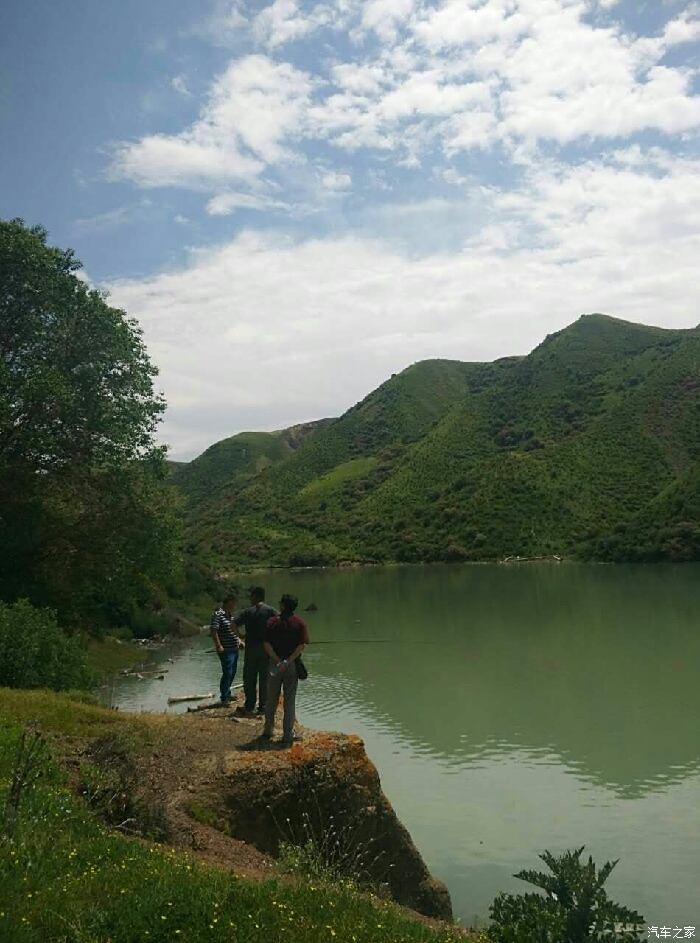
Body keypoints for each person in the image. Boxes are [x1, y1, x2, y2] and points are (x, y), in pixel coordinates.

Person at [262, 594, 309, 746]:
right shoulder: (299, 622)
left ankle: (268, 730)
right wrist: (288, 661)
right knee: (289, 701)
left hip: (274, 665)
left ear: (282, 605)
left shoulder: (272, 622)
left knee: (271, 699)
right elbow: (302, 645)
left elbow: (266, 644)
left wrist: (277, 660)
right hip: (291, 666)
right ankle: (287, 735)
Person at [233, 586, 277, 716]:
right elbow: (280, 623)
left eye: (251, 596)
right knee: (265, 678)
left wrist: (240, 636)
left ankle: (250, 705)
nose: (250, 599)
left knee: (249, 677)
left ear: (255, 597)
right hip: (266, 649)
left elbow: (233, 624)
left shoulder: (248, 611)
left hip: (251, 648)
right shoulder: (271, 611)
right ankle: (263, 706)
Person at [210, 592, 242, 706]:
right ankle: (224, 697)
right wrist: (218, 645)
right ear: (229, 602)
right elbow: (214, 630)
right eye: (233, 603)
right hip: (225, 649)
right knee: (227, 672)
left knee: (232, 671)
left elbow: (233, 630)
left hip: (234, 647)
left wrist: (239, 640)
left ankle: (227, 693)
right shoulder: (218, 614)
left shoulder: (230, 615)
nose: (235, 605)